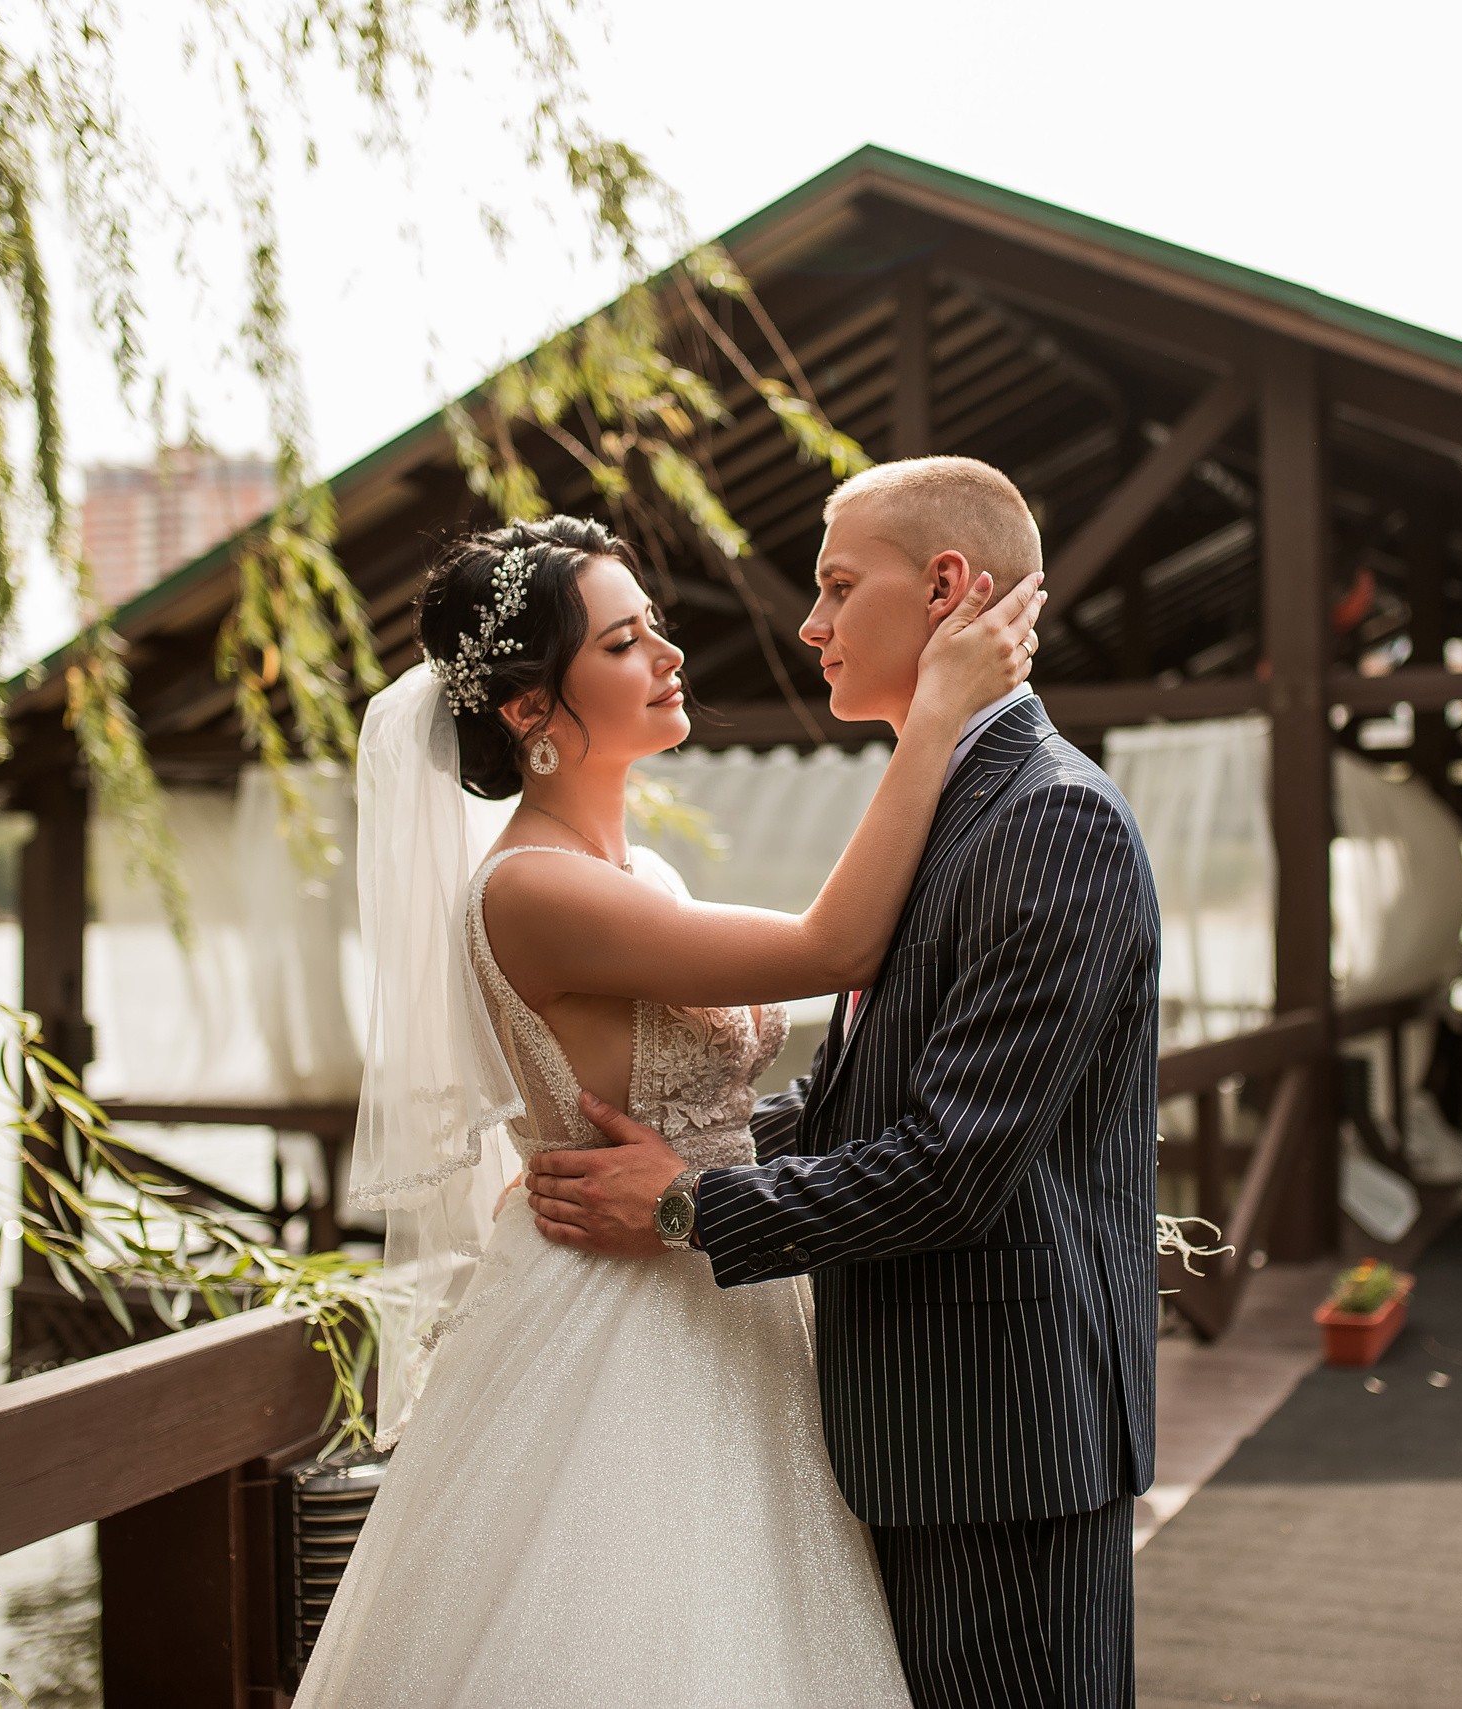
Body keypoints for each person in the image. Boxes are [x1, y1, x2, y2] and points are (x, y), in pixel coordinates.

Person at [288, 511, 1043, 1708]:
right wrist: (941, 709)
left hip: (709, 1274)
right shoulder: (532, 888)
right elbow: (834, 944)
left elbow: (731, 1089)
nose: (669, 657)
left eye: (654, 631)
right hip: (619, 1311)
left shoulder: (641, 878)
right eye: (626, 642)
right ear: (532, 710)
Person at [529, 458, 1163, 1709]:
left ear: (942, 587)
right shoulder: (947, 801)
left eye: (833, 585)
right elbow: (848, 1101)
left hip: (1001, 1439)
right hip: (923, 1427)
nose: (808, 624)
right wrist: (677, 1142)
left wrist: (687, 1206)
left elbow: (951, 1165)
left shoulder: (1049, 818)